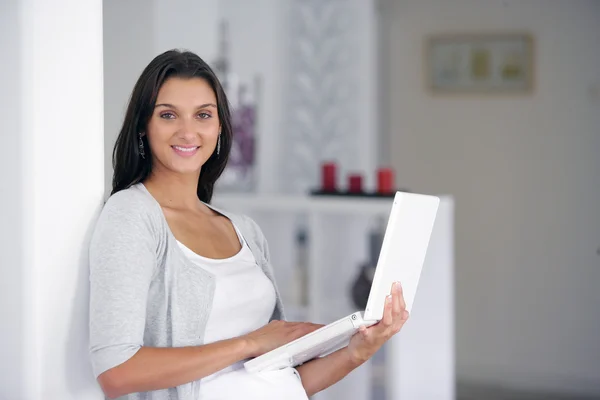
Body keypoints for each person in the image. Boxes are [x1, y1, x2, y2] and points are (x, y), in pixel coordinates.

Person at [89, 49, 409, 400]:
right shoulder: (132, 215)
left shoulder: (244, 230)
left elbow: (285, 379)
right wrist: (249, 343)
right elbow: (116, 372)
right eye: (168, 115)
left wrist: (356, 352)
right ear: (143, 127)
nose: (187, 131)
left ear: (220, 127)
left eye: (203, 115)